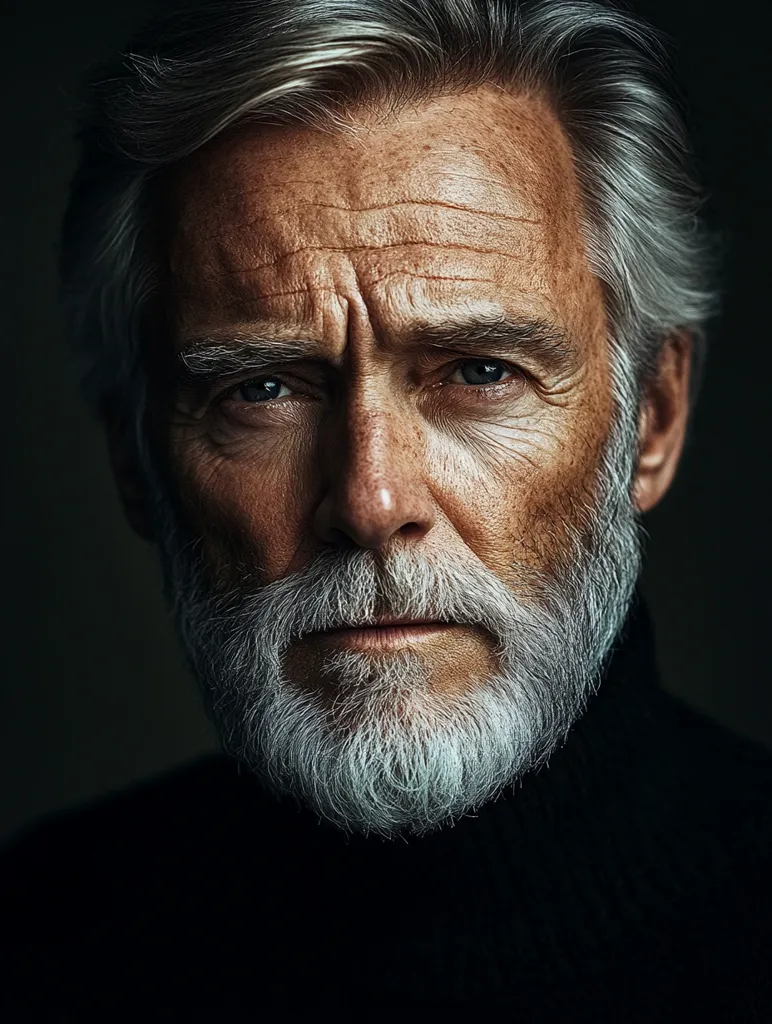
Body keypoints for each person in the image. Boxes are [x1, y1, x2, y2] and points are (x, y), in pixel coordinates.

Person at [3, 0, 771, 1016]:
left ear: (654, 420)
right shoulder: (33, 939)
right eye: (264, 389)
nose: (369, 501)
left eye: (480, 371)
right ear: (135, 458)